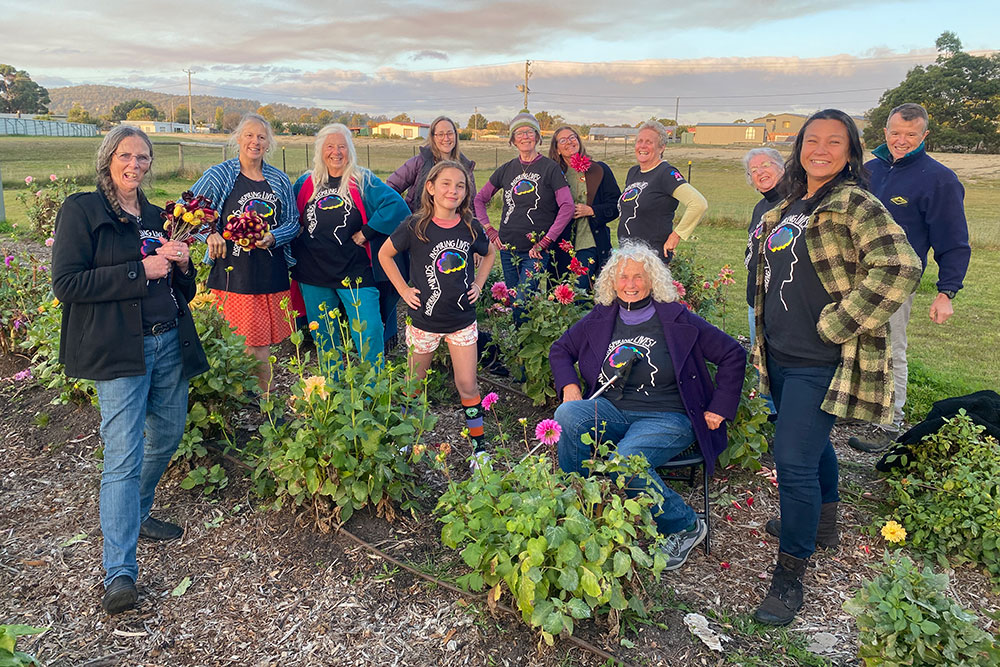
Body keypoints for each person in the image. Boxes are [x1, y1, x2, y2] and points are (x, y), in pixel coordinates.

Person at [750, 109, 921, 626]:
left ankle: (790, 575)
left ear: (850, 153)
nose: (820, 150)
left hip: (822, 357)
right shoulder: (789, 203)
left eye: (834, 142)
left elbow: (901, 265)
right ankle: (823, 526)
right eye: (812, 140)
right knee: (812, 443)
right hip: (781, 351)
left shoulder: (855, 203)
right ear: (799, 146)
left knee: (792, 461)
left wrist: (840, 322)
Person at [51, 126, 209, 615]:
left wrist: (182, 264)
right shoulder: (84, 210)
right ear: (108, 159)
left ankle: (136, 512)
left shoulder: (161, 218)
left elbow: (183, 290)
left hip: (169, 342)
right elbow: (67, 284)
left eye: (143, 157)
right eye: (126, 156)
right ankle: (119, 571)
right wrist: (141, 271)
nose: (134, 165)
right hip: (120, 350)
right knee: (123, 455)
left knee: (168, 433)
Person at [550, 242, 745, 571]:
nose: (630, 283)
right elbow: (560, 350)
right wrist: (570, 386)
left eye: (638, 276)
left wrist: (719, 406)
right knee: (567, 414)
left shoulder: (678, 319)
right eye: (623, 276)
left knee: (625, 462)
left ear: (652, 280)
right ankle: (580, 507)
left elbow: (732, 354)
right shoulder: (602, 318)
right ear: (612, 281)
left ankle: (685, 526)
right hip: (613, 410)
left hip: (667, 416)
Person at [848, 103, 972, 452]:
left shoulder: (939, 179)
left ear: (924, 135)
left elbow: (953, 240)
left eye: (911, 134)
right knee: (851, 341)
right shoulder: (868, 171)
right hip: (853, 274)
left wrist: (947, 291)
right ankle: (855, 407)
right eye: (896, 133)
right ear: (885, 132)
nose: (901, 140)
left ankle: (889, 421)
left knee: (890, 348)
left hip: (896, 279)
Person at [379, 161, 496, 465]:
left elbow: (489, 253)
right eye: (445, 183)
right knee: (413, 385)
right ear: (430, 188)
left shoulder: (470, 227)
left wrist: (479, 284)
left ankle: (479, 450)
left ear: (466, 192)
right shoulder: (415, 226)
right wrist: (403, 290)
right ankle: (404, 442)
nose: (452, 190)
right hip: (424, 323)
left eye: (460, 185)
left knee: (468, 385)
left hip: (461, 322)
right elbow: (385, 254)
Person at [188, 113, 297, 394]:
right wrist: (209, 234)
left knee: (258, 341)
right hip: (234, 272)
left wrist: (273, 237)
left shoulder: (279, 180)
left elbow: (293, 222)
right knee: (249, 341)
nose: (255, 142)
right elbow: (186, 211)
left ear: (268, 144)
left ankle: (253, 395)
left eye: (261, 137)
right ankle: (262, 397)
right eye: (249, 135)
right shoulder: (219, 175)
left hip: (270, 271)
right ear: (238, 138)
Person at [291, 123, 409, 368]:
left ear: (350, 150)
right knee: (325, 337)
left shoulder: (362, 180)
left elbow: (396, 206)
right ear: (320, 150)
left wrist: (367, 231)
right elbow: (290, 215)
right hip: (313, 273)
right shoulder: (306, 182)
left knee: (369, 331)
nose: (336, 152)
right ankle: (331, 385)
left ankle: (373, 385)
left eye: (342, 146)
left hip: (355, 271)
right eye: (330, 146)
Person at [473, 111, 574, 324]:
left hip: (535, 250)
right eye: (519, 133)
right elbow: (479, 199)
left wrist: (547, 240)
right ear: (513, 139)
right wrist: (489, 230)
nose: (525, 136)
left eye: (529, 131)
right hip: (507, 247)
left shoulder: (550, 168)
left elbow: (567, 206)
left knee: (522, 299)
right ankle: (521, 341)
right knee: (515, 300)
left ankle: (522, 341)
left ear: (537, 136)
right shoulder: (506, 169)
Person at [618, 121, 708, 263]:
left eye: (649, 142)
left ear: (662, 147)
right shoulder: (633, 172)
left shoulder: (666, 173)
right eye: (639, 141)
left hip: (652, 257)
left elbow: (698, 204)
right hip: (627, 253)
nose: (642, 146)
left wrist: (676, 236)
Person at [547, 125, 622, 288]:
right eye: (563, 140)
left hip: (589, 242)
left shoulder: (598, 170)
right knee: (560, 291)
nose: (569, 142)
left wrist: (592, 210)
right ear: (557, 149)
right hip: (561, 245)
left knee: (580, 289)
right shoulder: (553, 174)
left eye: (572, 137)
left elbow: (617, 204)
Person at [742, 147, 785, 415]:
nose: (760, 173)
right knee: (761, 360)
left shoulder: (794, 202)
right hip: (755, 298)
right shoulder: (761, 207)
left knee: (781, 360)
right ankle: (768, 415)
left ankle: (785, 415)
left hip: (780, 298)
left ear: (782, 167)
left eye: (766, 165)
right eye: (754, 170)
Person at [387, 116, 477, 212]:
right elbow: (390, 188)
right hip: (419, 220)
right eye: (440, 134)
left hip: (454, 220)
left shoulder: (465, 167)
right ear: (433, 137)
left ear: (456, 135)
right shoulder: (419, 162)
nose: (446, 138)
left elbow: (472, 203)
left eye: (450, 133)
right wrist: (403, 214)